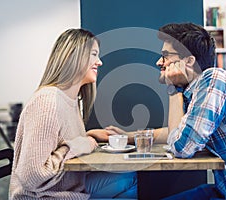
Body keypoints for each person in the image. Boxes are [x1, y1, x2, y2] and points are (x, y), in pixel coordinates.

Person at [107, 22, 226, 199]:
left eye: (165, 56)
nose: (159, 62)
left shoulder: (214, 79)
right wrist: (127, 136)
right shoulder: (197, 91)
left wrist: (173, 89)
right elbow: (177, 133)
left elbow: (181, 147)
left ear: (189, 61)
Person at [9, 28, 137, 199]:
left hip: (64, 187)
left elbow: (58, 143)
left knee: (130, 176)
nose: (99, 62)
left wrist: (89, 137)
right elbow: (32, 176)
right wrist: (81, 144)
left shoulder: (71, 100)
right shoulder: (47, 101)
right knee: (129, 181)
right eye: (93, 54)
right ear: (73, 56)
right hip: (42, 196)